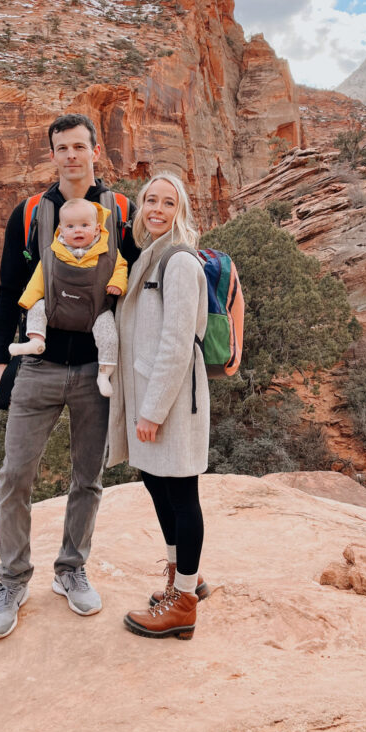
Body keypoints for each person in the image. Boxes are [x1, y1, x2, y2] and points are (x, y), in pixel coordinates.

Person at [0, 113, 139, 640]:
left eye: (79, 146)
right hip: (39, 365)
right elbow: (8, 288)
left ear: (96, 151)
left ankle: (71, 569)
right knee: (14, 476)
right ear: (52, 155)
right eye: (61, 148)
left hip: (98, 367)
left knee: (88, 479)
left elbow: (139, 282)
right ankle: (11, 579)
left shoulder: (120, 211)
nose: (71, 155)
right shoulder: (28, 213)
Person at [107, 173, 211, 641]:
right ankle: (182, 576)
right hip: (151, 396)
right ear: (140, 206)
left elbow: (176, 344)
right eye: (151, 200)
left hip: (170, 401)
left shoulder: (180, 261)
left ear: (180, 210)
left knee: (181, 492)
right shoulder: (150, 255)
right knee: (156, 484)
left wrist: (151, 411)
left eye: (168, 203)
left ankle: (184, 604)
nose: (157, 209)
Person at [9, 197, 128, 398]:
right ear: (61, 230)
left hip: (95, 310)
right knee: (38, 308)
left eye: (84, 225)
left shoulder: (108, 253)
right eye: (70, 226)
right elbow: (40, 278)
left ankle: (104, 373)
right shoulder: (53, 254)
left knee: (108, 334)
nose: (78, 230)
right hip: (58, 306)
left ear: (97, 229)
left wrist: (118, 284)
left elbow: (121, 267)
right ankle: (36, 340)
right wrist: (27, 301)